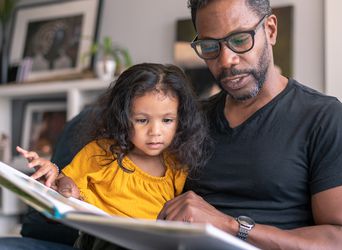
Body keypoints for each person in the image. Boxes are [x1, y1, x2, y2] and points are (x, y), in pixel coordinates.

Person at [155, 0, 342, 249]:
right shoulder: (189, 119)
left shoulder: (324, 119)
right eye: (210, 47)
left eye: (239, 40)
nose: (226, 60)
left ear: (270, 30)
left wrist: (231, 226)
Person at [14, 63, 210, 249]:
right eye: (142, 120)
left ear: (180, 119)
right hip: (101, 243)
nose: (155, 131)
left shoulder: (177, 164)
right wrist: (55, 174)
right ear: (123, 118)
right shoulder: (101, 153)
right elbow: (69, 188)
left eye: (167, 120)